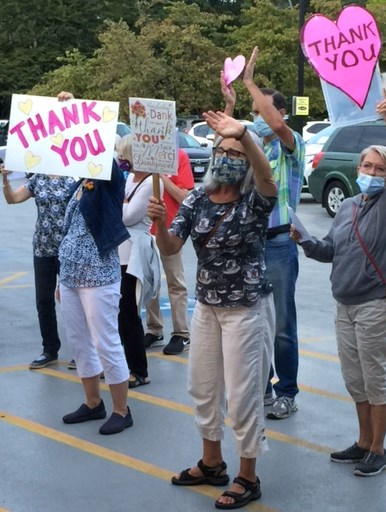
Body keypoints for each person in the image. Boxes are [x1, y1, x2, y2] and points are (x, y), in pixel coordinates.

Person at [147, 111, 277, 509]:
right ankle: (212, 462)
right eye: (222, 150)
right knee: (203, 389)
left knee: (243, 397)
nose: (228, 158)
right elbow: (172, 248)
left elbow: (268, 182)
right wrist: (162, 225)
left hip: (245, 310)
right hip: (207, 307)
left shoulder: (254, 201)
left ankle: (248, 477)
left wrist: (247, 136)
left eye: (236, 152)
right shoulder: (199, 199)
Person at [291, 94, 386, 476]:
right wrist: (305, 239)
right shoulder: (348, 206)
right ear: (358, 167)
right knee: (354, 379)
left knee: (375, 379)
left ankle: (379, 448)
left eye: (379, 169)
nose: (372, 173)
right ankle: (362, 443)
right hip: (343, 304)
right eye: (367, 166)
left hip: (374, 304)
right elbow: (331, 250)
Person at [225, 46, 305, 419]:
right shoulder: (252, 146)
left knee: (283, 325)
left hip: (277, 245)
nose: (254, 117)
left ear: (280, 113)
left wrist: (251, 82)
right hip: (251, 244)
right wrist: (229, 107)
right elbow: (224, 154)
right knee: (257, 322)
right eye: (252, 112)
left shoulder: (291, 146)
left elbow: (274, 126)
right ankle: (266, 387)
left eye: (260, 110)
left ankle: (287, 391)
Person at [57, 91, 133, 435]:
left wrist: (76, 111)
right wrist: (62, 278)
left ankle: (121, 409)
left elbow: (99, 151)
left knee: (106, 341)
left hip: (99, 275)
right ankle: (92, 402)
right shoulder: (78, 183)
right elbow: (70, 230)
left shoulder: (110, 179)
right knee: (78, 340)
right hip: (71, 274)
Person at [1, 164, 75, 369]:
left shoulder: (73, 177)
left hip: (68, 248)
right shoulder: (38, 178)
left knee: (73, 301)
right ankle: (50, 348)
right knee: (43, 300)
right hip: (42, 247)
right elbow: (12, 199)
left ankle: (81, 349)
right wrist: (5, 180)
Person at [144, 149, 194, 355]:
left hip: (171, 230)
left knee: (175, 281)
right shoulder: (143, 156)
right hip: (144, 229)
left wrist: (161, 177)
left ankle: (181, 333)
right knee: (149, 282)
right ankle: (154, 329)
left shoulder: (179, 156)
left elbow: (185, 197)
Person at [116, 134, 156, 388]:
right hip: (119, 251)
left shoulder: (152, 182)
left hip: (134, 252)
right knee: (119, 312)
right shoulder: (131, 178)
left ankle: (138, 370)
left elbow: (129, 217)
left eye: (123, 155)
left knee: (129, 312)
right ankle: (123, 365)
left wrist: (118, 202)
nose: (120, 159)